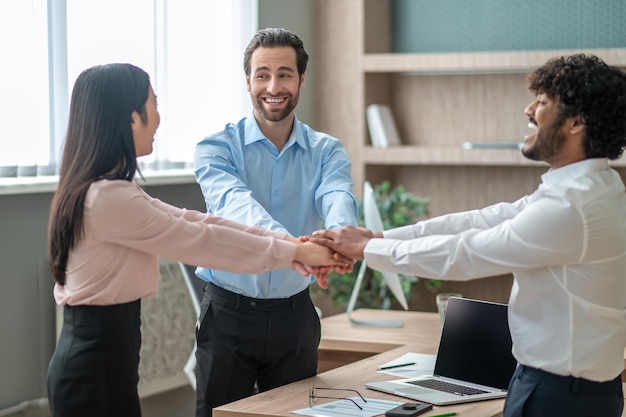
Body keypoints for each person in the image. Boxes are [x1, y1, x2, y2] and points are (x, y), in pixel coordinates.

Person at [310, 53, 626, 417]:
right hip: (566, 389)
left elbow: (466, 253)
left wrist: (368, 249)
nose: (528, 110)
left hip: (559, 397)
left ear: (576, 123)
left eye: (541, 102)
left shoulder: (573, 206)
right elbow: (482, 220)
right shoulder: (594, 186)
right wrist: (379, 237)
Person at [46, 63, 343, 417]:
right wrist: (294, 250)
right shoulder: (108, 197)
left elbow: (195, 221)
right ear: (130, 118)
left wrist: (291, 249)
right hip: (95, 366)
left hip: (103, 358)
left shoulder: (109, 190)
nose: (158, 118)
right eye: (153, 104)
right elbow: (202, 240)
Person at [193, 28, 358, 416]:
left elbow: (337, 195)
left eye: (285, 74)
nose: (273, 86)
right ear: (247, 81)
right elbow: (236, 205)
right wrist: (296, 249)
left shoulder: (326, 150)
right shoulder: (215, 148)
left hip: (295, 317)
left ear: (301, 79)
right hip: (228, 315)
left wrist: (340, 241)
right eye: (262, 74)